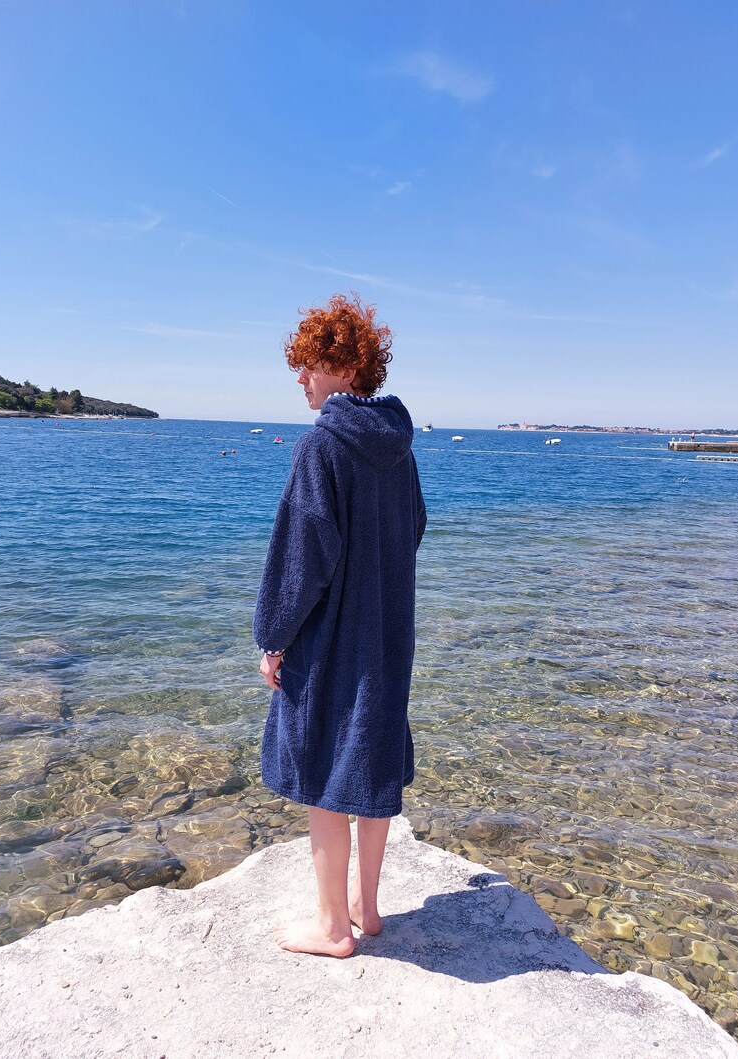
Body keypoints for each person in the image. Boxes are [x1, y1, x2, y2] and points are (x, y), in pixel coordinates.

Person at [253, 292, 427, 958]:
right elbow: (411, 528)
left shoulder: (323, 443)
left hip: (330, 643)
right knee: (372, 759)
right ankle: (368, 908)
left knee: (324, 766)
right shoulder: (400, 449)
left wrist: (273, 635)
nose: (301, 377)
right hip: (387, 633)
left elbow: (300, 558)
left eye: (311, 364)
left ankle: (332, 926)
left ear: (349, 367)